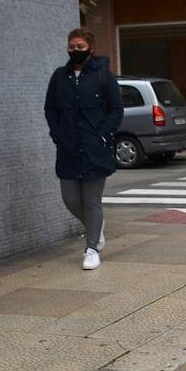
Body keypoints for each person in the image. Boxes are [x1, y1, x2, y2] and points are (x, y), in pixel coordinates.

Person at [45, 27, 124, 270]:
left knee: (91, 201)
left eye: (80, 46)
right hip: (68, 148)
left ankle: (92, 249)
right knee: (70, 199)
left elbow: (116, 109)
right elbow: (50, 109)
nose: (75, 50)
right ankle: (96, 227)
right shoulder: (60, 76)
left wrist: (102, 134)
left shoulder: (102, 75)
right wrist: (57, 134)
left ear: (91, 48)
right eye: (71, 46)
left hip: (94, 148)